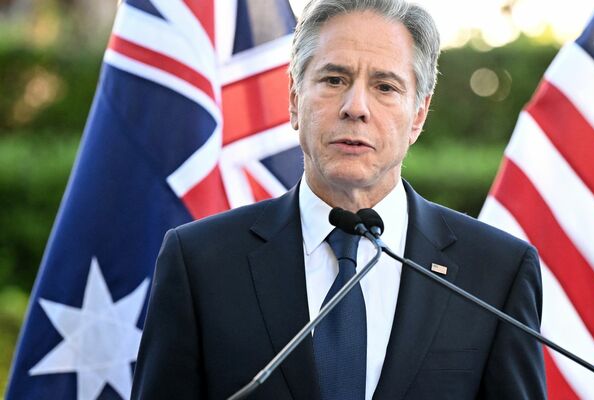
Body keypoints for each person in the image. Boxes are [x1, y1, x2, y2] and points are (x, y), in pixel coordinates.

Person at [131, 0, 546, 398]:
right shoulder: (200, 262)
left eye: (385, 86)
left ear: (418, 114)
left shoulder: (495, 274)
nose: (356, 107)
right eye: (334, 80)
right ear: (294, 100)